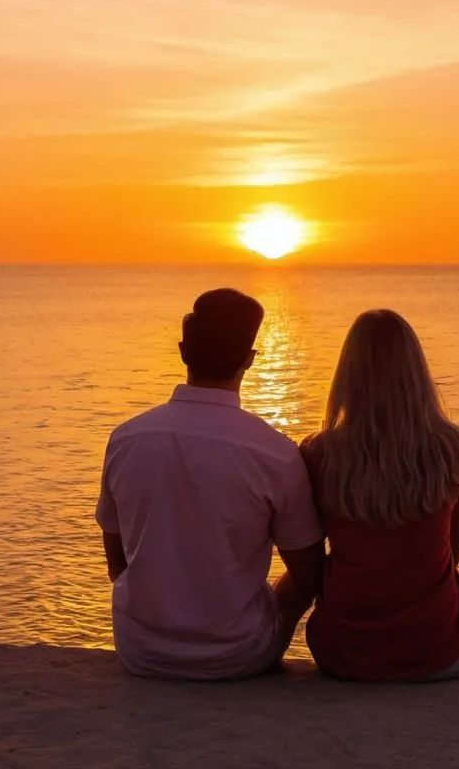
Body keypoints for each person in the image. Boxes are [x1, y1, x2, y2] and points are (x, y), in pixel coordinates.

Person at [95, 288, 325, 680]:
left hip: (140, 650)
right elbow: (309, 577)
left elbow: (118, 563)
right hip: (237, 655)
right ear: (249, 361)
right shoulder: (275, 453)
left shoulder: (126, 439)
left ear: (184, 352)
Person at [300, 309, 459, 682]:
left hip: (343, 653)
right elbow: (452, 551)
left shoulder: (319, 453)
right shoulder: (451, 446)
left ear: (347, 376)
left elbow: (309, 554)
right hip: (441, 652)